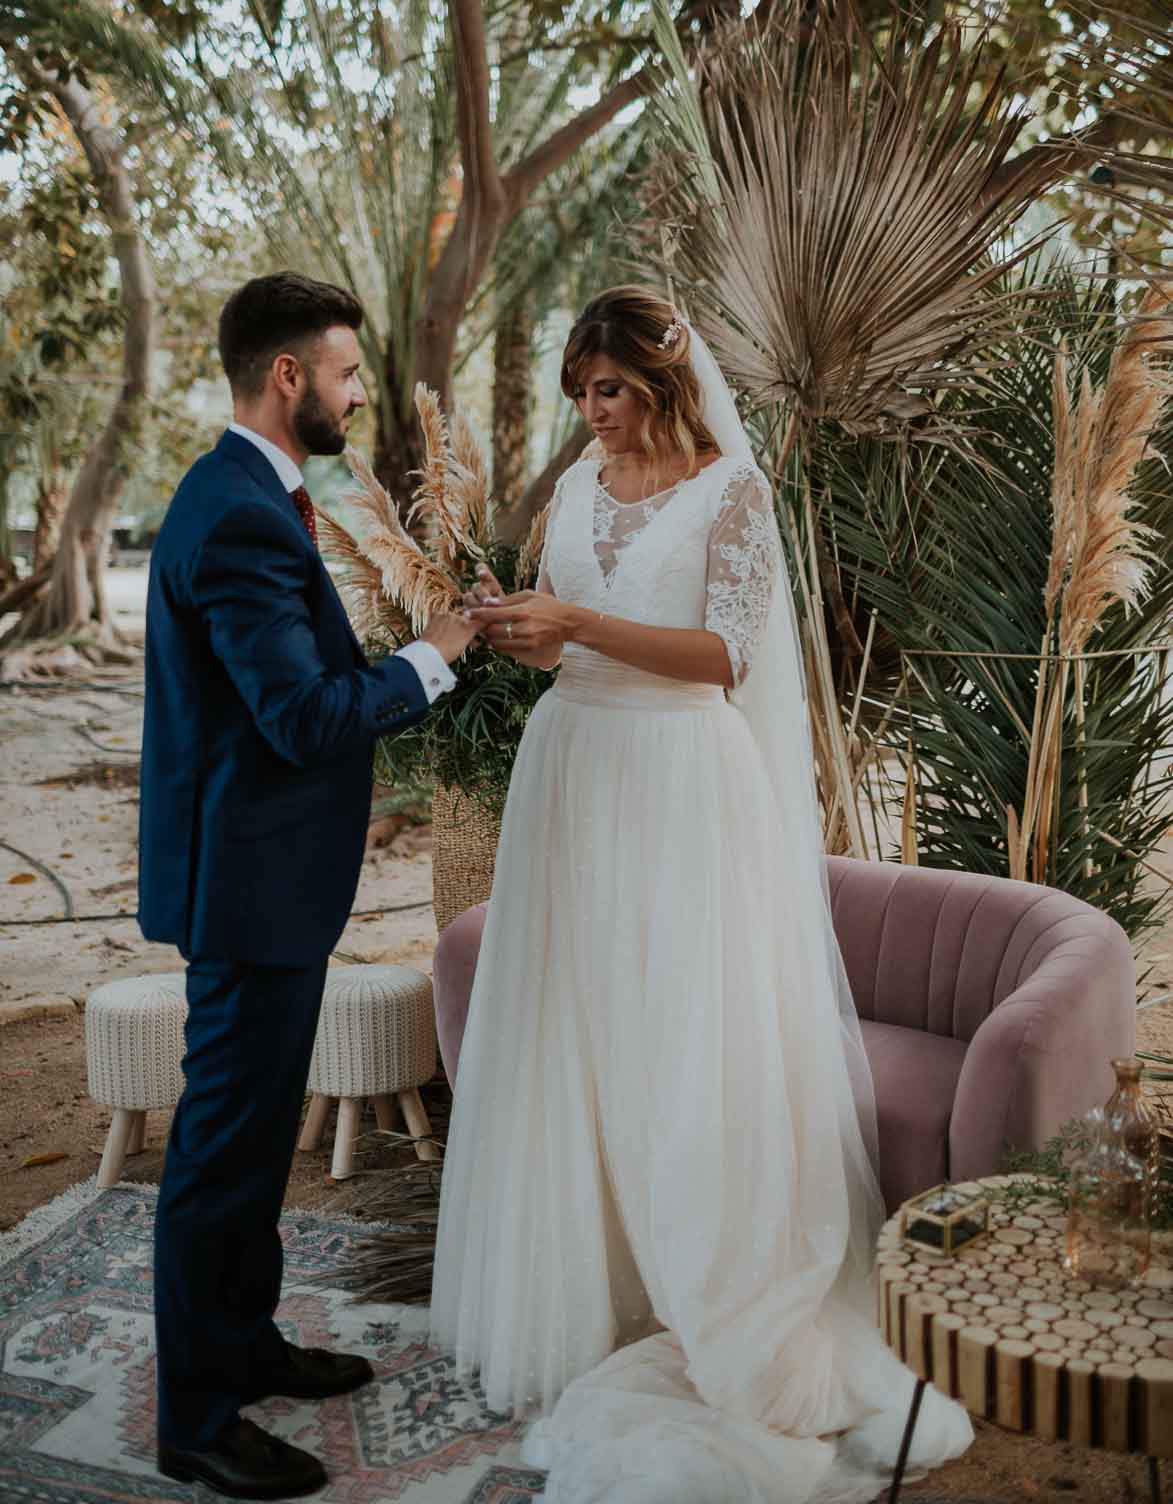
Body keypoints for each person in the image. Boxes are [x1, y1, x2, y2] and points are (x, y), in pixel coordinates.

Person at [431, 285, 972, 1503]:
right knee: (579, 1024)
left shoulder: (735, 493)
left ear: (666, 384)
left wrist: (583, 621)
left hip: (681, 771)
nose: (594, 414)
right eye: (581, 394)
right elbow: (563, 634)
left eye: (611, 391)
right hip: (571, 767)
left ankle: (713, 1280)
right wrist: (527, 631)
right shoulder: (573, 486)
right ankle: (593, 1284)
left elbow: (729, 654)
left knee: (681, 1029)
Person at [138, 271, 478, 1500]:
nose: (354, 393)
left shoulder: (252, 495)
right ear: (288, 376)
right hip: (246, 889)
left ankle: (247, 1340)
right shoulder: (234, 512)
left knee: (255, 1134)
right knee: (224, 1151)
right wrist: (429, 660)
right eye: (342, 372)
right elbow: (298, 715)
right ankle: (194, 1417)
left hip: (266, 883)